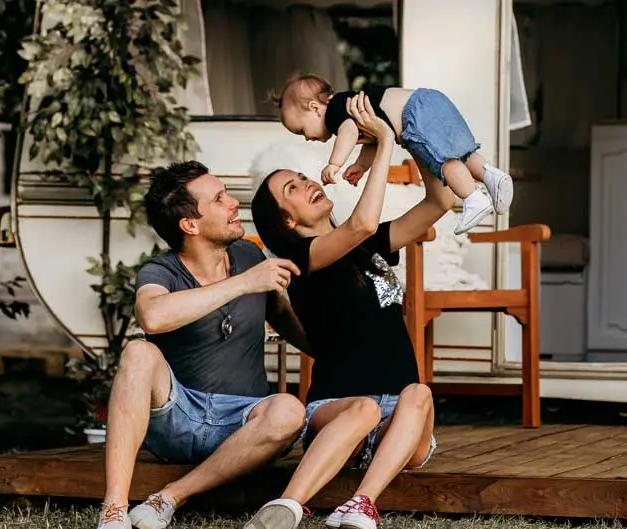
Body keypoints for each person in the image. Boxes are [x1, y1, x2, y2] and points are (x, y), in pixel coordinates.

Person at [250, 92, 449, 529]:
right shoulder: (302, 259)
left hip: (400, 422)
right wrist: (384, 142)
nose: (308, 183)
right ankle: (286, 508)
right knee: (363, 409)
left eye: (303, 177)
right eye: (293, 188)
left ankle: (361, 504)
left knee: (419, 394)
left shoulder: (369, 246)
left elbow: (440, 203)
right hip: (339, 410)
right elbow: (360, 223)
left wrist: (411, 133)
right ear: (287, 221)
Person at [94, 160, 314, 529]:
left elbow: (281, 316)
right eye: (219, 199)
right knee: (138, 352)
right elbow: (152, 316)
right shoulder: (161, 270)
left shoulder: (249, 256)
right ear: (190, 225)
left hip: (242, 422)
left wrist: (329, 352)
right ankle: (114, 508)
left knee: (290, 410)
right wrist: (244, 283)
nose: (233, 203)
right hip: (176, 418)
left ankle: (170, 497)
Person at [271, 73, 513, 236]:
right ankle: (493, 177)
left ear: (314, 108)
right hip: (428, 100)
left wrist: (335, 164)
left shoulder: (335, 113)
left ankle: (473, 197)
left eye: (301, 130)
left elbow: (349, 131)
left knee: (443, 161)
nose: (306, 137)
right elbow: (375, 138)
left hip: (413, 114)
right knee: (462, 154)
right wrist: (361, 166)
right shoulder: (349, 106)